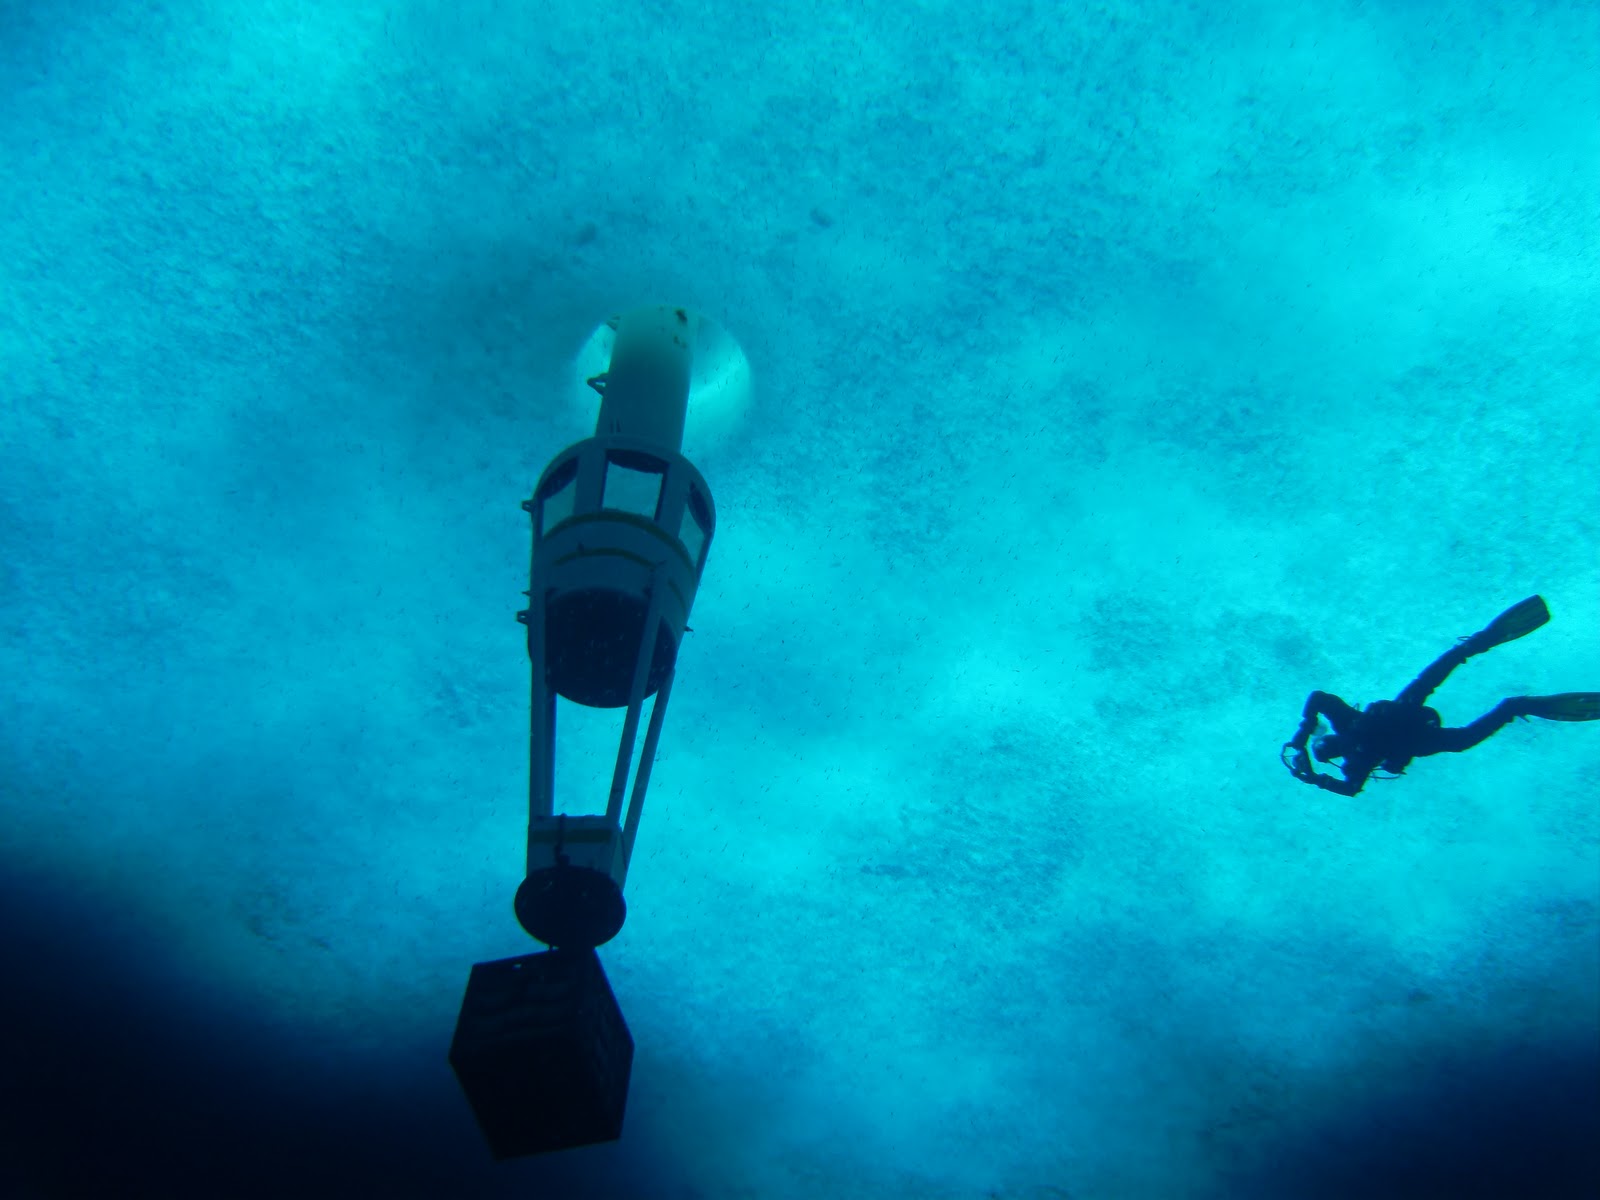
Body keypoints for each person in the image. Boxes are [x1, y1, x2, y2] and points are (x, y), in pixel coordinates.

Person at [1282, 595, 1600, 796]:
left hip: (1410, 718)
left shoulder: (1349, 731)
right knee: (1443, 688)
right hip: (1416, 730)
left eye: (1331, 745)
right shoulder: (1355, 756)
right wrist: (1314, 773)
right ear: (1336, 752)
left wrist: (1302, 737)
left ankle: (1484, 654)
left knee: (1438, 679)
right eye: (1333, 748)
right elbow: (1350, 788)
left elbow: (1319, 698)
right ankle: (1505, 685)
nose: (1339, 744)